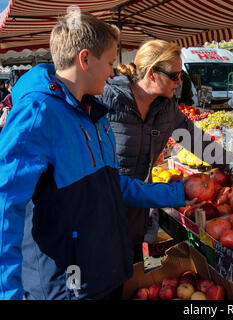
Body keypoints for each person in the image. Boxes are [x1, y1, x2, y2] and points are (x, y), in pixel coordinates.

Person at [0, 12, 195, 300]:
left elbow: (112, 186)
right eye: (109, 61)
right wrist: (10, 293)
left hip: (106, 273)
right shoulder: (36, 115)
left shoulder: (96, 115)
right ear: (85, 59)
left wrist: (176, 193)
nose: (113, 70)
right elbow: (5, 208)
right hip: (66, 285)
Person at [97, 39, 233, 263]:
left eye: (180, 76)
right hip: (102, 209)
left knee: (132, 272)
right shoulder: (107, 101)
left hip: (137, 210)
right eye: (174, 76)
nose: (179, 82)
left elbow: (198, 141)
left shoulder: (165, 108)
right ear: (151, 73)